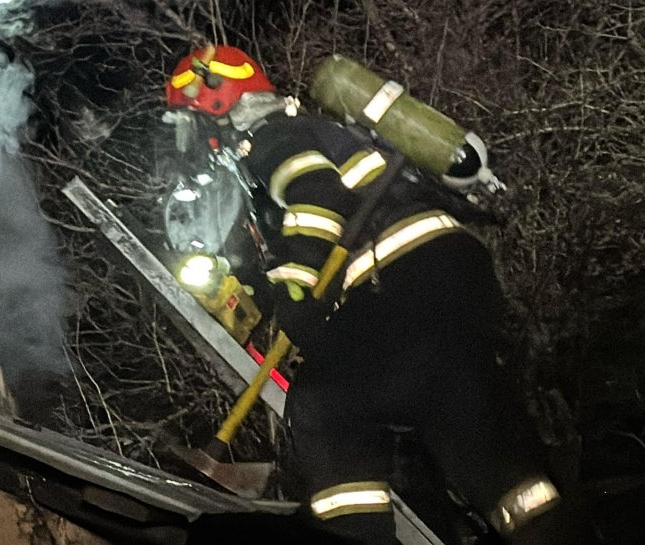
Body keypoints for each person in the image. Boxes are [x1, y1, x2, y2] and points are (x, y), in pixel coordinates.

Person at [165, 45, 593, 545]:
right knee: (464, 419)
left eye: (186, 120)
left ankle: (354, 532)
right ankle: (538, 523)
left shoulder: (269, 137)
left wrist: (296, 295)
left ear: (214, 102)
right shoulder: (320, 129)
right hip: (447, 278)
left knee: (325, 406)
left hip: (399, 282)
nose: (189, 139)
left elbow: (316, 195)